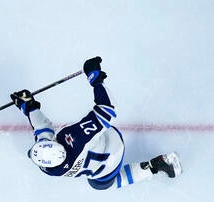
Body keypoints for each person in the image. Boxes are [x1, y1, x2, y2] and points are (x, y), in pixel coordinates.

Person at [10, 56, 181, 190]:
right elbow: (107, 109)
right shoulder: (75, 138)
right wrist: (95, 78)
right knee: (104, 183)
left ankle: (155, 166)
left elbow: (42, 132)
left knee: (99, 184)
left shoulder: (49, 168)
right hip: (112, 149)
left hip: (98, 164)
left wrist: (30, 108)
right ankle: (154, 166)